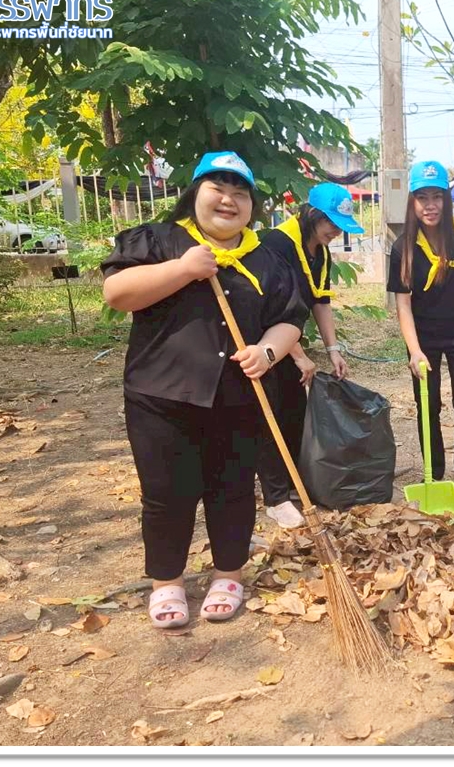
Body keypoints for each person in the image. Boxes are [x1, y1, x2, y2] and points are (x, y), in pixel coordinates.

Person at [101, 151, 308, 629]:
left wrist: (267, 353)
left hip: (240, 398)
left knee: (232, 489)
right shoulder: (159, 240)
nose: (229, 200)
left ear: (252, 205)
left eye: (240, 193)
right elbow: (118, 293)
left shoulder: (268, 259)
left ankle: (228, 575)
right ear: (195, 193)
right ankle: (167, 583)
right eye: (218, 188)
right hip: (161, 396)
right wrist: (185, 268)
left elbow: (289, 320)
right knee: (165, 493)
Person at [257, 183, 364, 529]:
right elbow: (272, 309)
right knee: (270, 416)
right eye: (330, 222)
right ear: (311, 214)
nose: (335, 231)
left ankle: (291, 484)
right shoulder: (277, 245)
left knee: (294, 413)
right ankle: (275, 498)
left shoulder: (320, 251)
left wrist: (333, 350)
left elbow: (320, 301)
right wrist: (298, 355)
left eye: (339, 225)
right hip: (265, 341)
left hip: (291, 340)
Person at [386, 160, 454, 503]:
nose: (430, 205)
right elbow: (403, 304)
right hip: (423, 338)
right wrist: (414, 349)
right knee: (427, 404)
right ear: (412, 202)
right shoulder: (403, 246)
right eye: (422, 198)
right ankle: (433, 472)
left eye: (437, 197)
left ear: (447, 200)